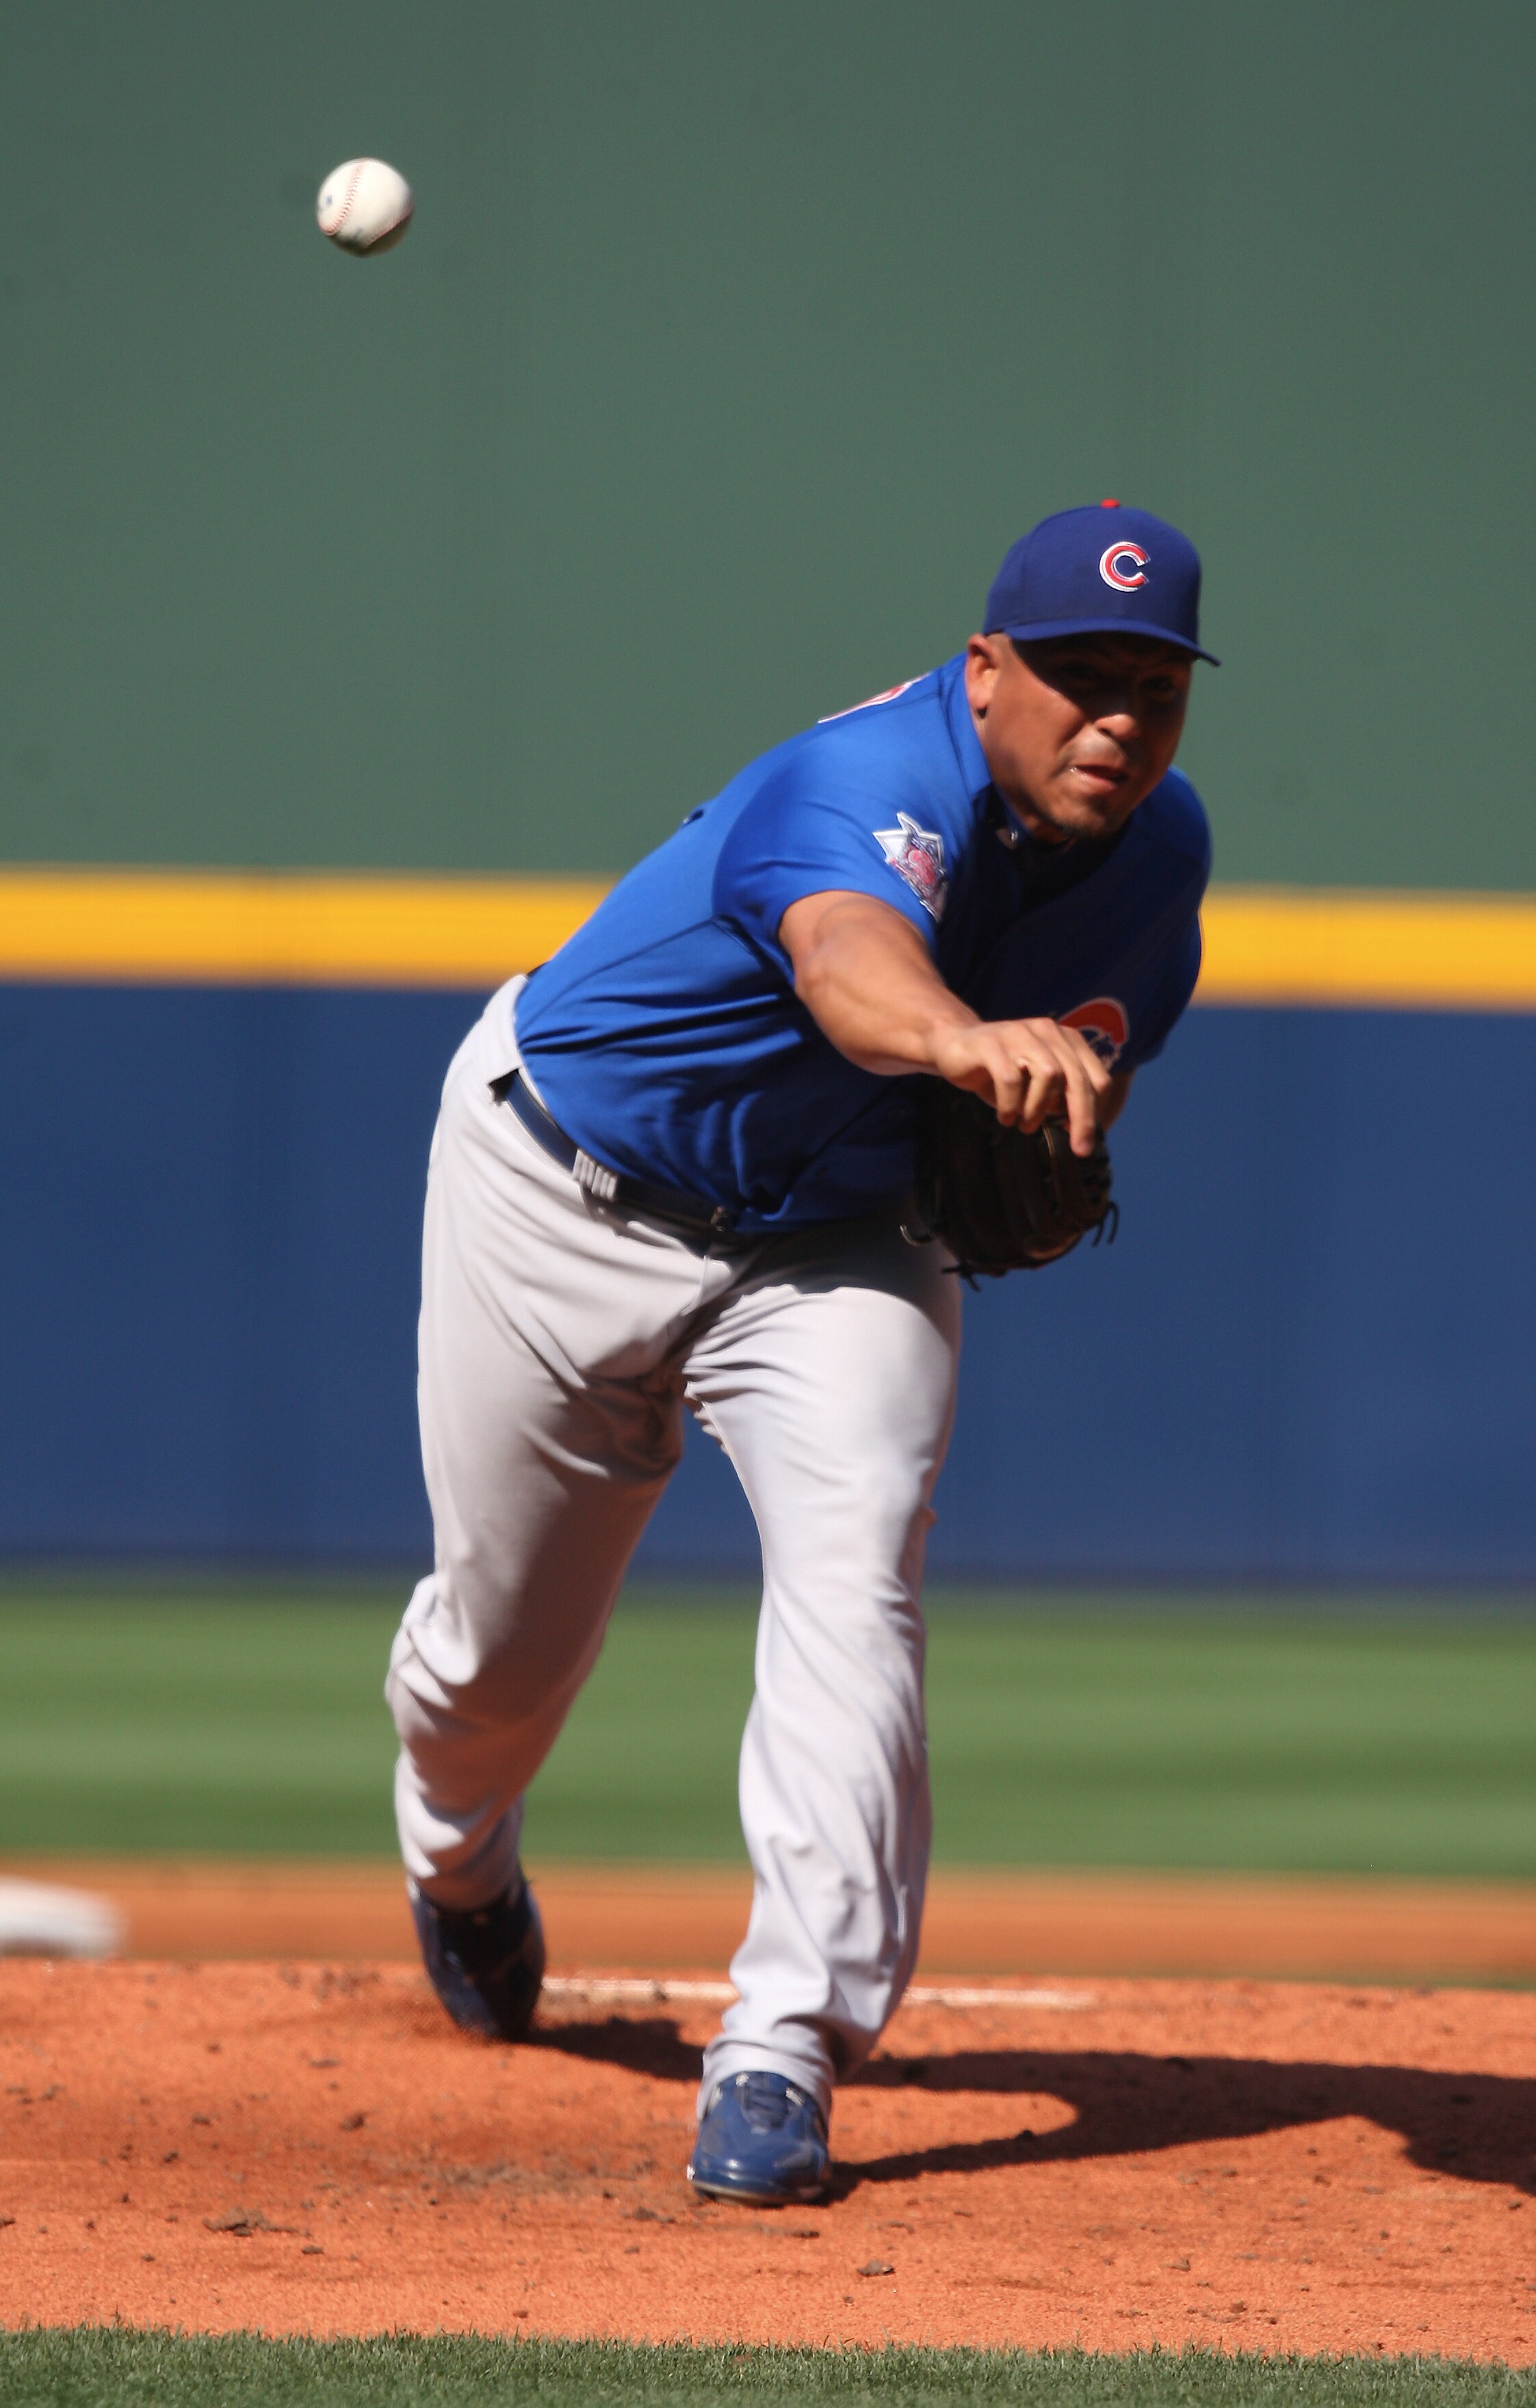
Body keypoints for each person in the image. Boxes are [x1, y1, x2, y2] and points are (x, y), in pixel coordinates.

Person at [385, 502, 1216, 2204]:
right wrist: (971, 1045)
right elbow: (853, 970)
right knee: (495, 1656)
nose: (1117, 714)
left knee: (859, 1567)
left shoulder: (1159, 856)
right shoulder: (854, 783)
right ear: (985, 673)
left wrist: (1059, 1102)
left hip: (835, 1239)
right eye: (1076, 674)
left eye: (1156, 680)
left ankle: (782, 2047)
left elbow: (1093, 1063)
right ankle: (459, 1865)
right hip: (560, 1192)